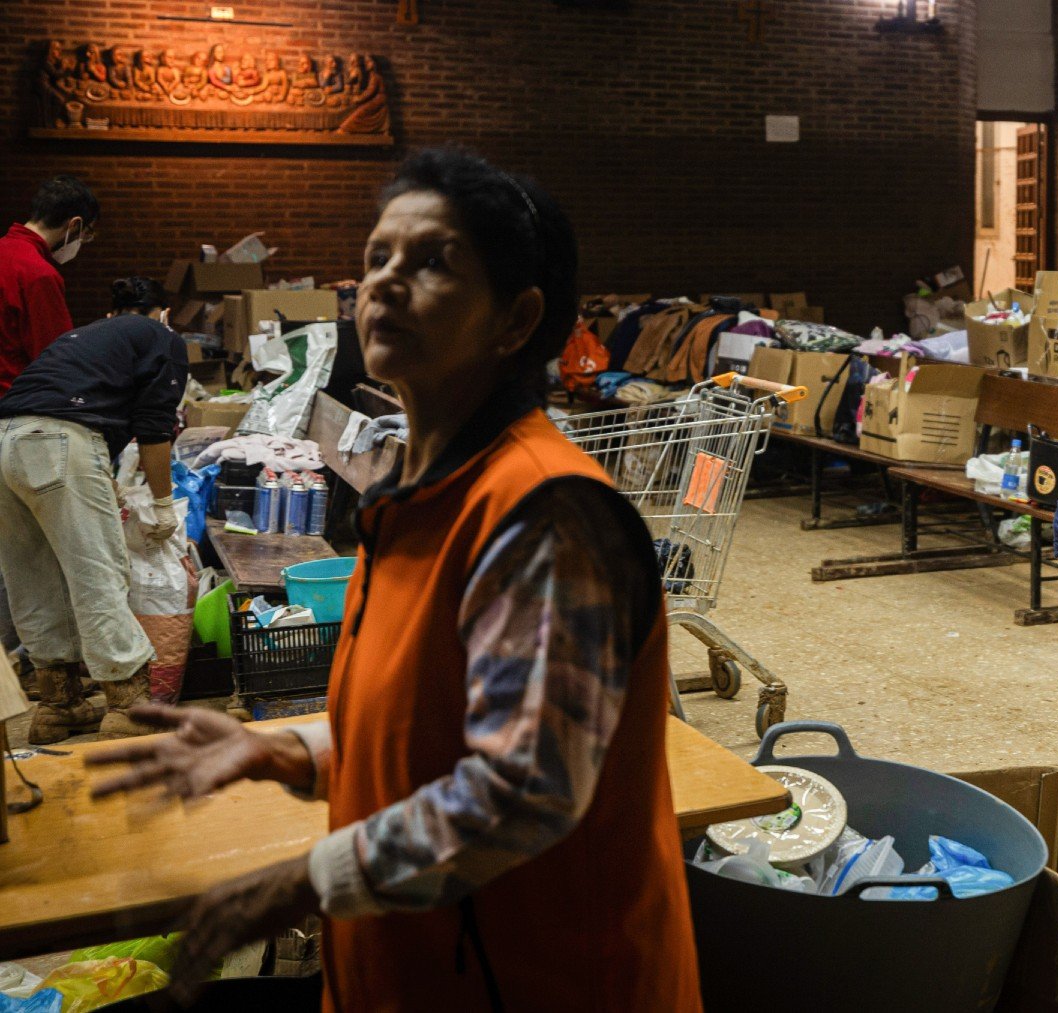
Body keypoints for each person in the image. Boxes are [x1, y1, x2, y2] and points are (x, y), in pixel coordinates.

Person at [87, 148, 701, 1012]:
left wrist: (299, 881)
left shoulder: (546, 516)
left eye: (434, 262)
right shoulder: (418, 493)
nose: (383, 283)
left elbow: (524, 788)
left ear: (517, 318)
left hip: (540, 981)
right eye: (377, 258)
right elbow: (437, 725)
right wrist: (291, 748)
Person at [0, 276, 184, 744]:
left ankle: (58, 707)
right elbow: (154, 430)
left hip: (5, 443)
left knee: (33, 579)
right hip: (59, 441)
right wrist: (163, 503)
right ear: (162, 311)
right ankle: (128, 705)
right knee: (96, 573)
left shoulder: (83, 338)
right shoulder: (163, 338)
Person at [0, 175, 97, 395]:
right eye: (86, 234)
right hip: (15, 405)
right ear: (75, 224)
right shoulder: (39, 274)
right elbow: (57, 359)